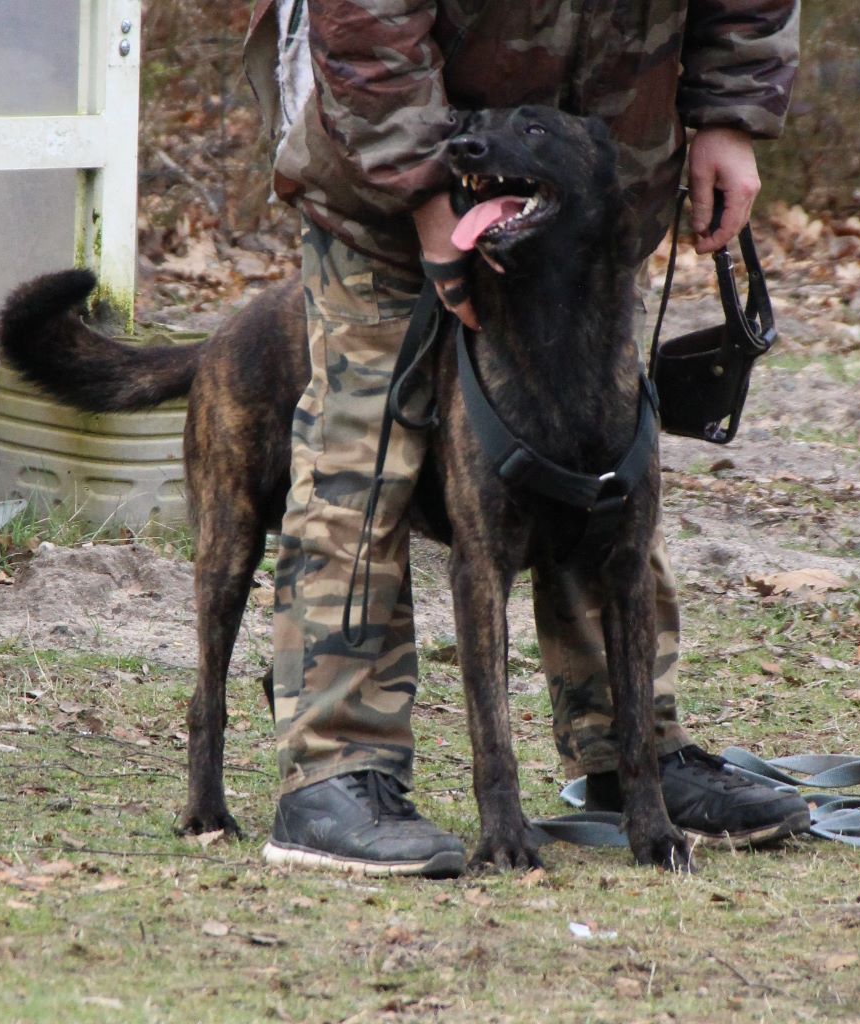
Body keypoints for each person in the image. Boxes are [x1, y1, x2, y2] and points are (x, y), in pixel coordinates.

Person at [243, 0, 810, 878]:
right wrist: (430, 192)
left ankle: (631, 757)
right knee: (366, 446)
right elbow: (365, 18)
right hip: (390, 169)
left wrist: (730, 114)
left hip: (593, 183)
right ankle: (337, 771)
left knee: (600, 464)